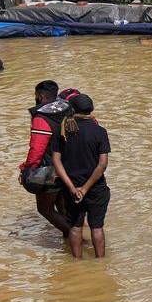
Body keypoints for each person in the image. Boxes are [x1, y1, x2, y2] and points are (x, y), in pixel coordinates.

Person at [50, 92, 111, 259]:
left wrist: (72, 188)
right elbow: (102, 165)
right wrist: (85, 189)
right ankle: (100, 264)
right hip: (96, 188)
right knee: (96, 227)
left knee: (75, 227)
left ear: (72, 109)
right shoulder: (100, 132)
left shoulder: (62, 131)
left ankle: (77, 262)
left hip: (71, 189)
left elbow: (56, 161)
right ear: (91, 109)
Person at [20, 80, 71, 235]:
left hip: (51, 170)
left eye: (36, 95)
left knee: (45, 209)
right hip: (69, 166)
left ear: (41, 96)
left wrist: (27, 169)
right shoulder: (67, 108)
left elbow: (37, 149)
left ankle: (75, 237)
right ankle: (70, 241)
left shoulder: (41, 118)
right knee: (63, 206)